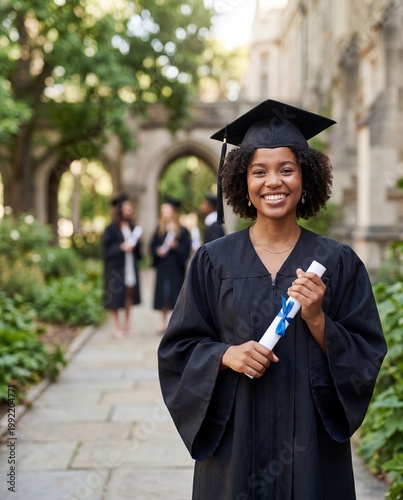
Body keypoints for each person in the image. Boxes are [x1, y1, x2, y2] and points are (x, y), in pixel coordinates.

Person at [157, 99, 387, 499]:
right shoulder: (214, 261)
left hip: (310, 448)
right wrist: (224, 356)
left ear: (305, 178)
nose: (273, 182)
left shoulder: (337, 263)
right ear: (242, 181)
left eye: (287, 169)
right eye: (259, 171)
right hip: (235, 447)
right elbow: (178, 348)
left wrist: (317, 318)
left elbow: (366, 355)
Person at [102, 194, 142, 338]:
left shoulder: (132, 226)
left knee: (128, 293)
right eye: (125, 208)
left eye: (129, 208)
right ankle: (116, 326)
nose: (128, 210)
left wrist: (137, 243)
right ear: (119, 210)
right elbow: (106, 249)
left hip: (130, 264)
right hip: (116, 267)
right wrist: (121, 247)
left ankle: (127, 325)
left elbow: (138, 250)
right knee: (115, 295)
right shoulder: (111, 229)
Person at [150, 199, 191, 333]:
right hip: (163, 267)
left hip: (175, 268)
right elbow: (152, 246)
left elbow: (186, 249)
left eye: (166, 210)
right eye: (163, 211)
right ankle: (163, 323)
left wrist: (176, 246)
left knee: (176, 294)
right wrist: (157, 251)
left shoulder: (182, 231)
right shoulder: (159, 230)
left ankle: (175, 324)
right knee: (164, 294)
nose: (164, 213)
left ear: (173, 212)